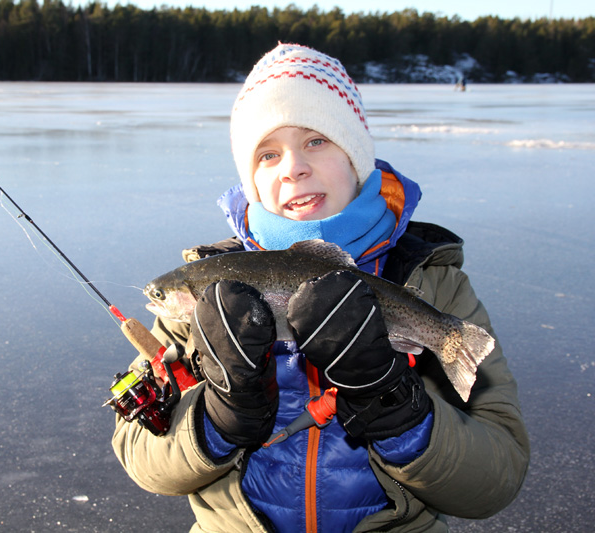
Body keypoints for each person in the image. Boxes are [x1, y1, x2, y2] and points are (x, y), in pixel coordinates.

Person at [112, 43, 529, 532]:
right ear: (250, 181)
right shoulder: (204, 299)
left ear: (356, 155)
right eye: (267, 154)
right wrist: (218, 418)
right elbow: (142, 458)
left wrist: (398, 409)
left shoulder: (434, 283)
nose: (293, 167)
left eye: (316, 141)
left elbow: (497, 477)